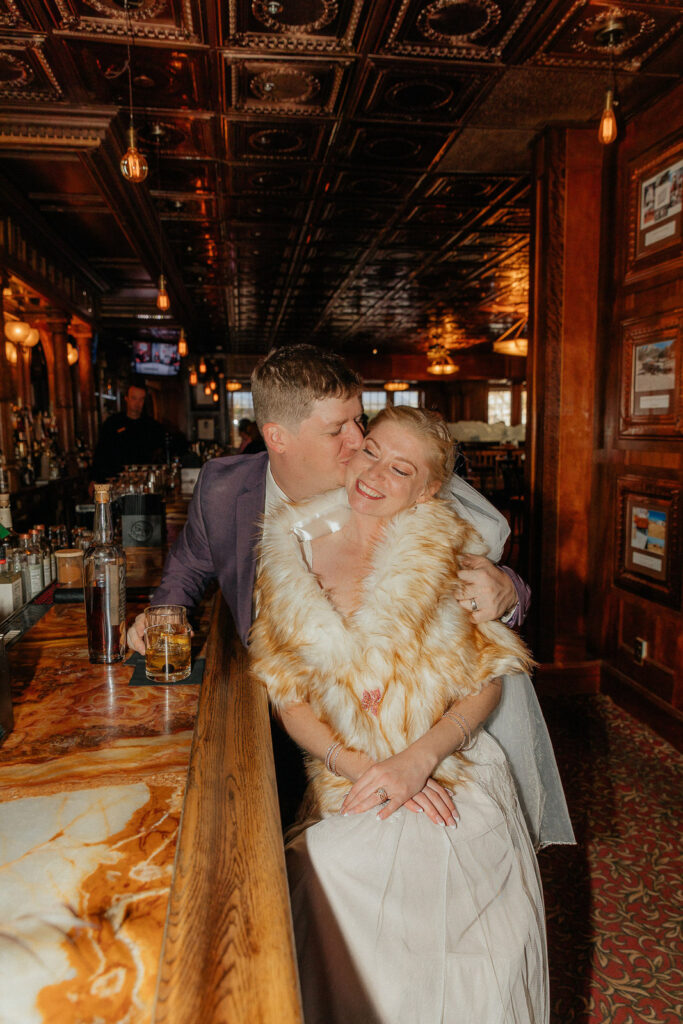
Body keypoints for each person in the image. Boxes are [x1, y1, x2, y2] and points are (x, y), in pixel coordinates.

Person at [250, 406, 570, 1024]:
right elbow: (286, 696)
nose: (373, 473)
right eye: (370, 450)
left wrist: (417, 760)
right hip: (345, 769)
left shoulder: (449, 555)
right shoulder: (287, 545)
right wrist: (367, 764)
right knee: (331, 869)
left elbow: (486, 683)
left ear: (427, 491)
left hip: (451, 765)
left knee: (439, 899)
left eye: (400, 469)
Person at [127, 345, 529, 655]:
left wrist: (508, 592)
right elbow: (188, 567)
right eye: (338, 428)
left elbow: (482, 569)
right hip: (266, 691)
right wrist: (164, 613)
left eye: (358, 420)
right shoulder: (221, 486)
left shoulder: (375, 488)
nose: (359, 440)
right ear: (277, 437)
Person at [91, 379, 165, 482]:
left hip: (144, 482)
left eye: (141, 399)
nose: (137, 403)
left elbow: (160, 455)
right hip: (114, 480)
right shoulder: (112, 423)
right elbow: (101, 453)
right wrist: (94, 480)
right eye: (134, 398)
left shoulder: (152, 426)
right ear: (126, 398)